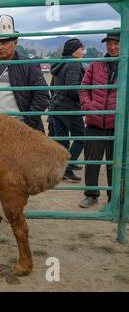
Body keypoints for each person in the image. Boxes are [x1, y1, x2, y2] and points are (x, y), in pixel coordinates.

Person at [0, 14, 50, 132]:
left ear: (15, 42)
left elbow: (42, 95)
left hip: (17, 131)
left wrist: (27, 122)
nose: (0, 47)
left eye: (5, 42)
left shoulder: (28, 65)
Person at [78, 30, 120, 208]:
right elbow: (83, 89)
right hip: (95, 123)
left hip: (117, 124)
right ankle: (91, 194)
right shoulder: (95, 66)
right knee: (92, 161)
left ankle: (114, 197)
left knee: (115, 163)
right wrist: (89, 107)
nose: (112, 47)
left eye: (116, 43)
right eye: (109, 43)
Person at [50, 38, 86, 182]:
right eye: (81, 48)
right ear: (74, 50)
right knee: (81, 137)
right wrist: (84, 96)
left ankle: (60, 169)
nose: (83, 51)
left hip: (57, 107)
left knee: (62, 139)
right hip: (69, 107)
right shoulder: (74, 63)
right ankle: (67, 167)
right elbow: (72, 88)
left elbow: (52, 86)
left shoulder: (60, 63)